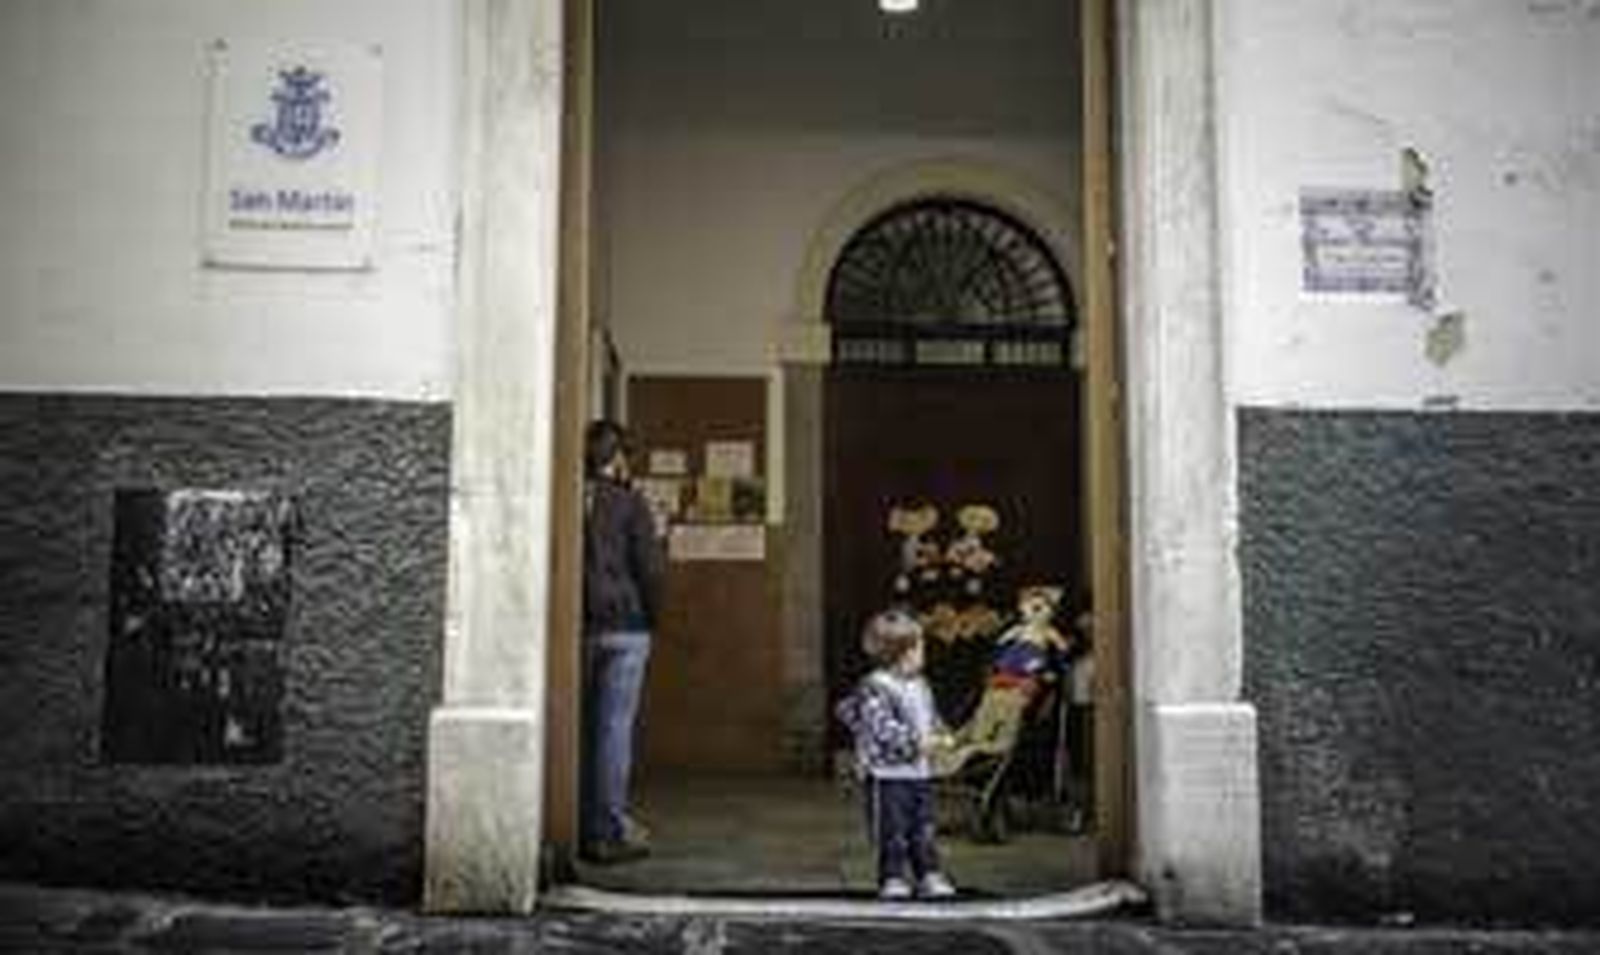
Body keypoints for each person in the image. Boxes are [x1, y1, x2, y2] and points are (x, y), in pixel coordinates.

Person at [580, 420, 665, 864]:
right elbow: (650, 569)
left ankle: (575, 821)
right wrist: (654, 618)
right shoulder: (629, 503)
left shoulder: (569, 499)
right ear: (618, 458)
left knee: (581, 728)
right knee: (614, 730)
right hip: (627, 626)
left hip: (579, 626)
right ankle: (608, 830)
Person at [835, 609, 959, 900]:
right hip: (887, 775)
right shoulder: (876, 687)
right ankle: (892, 876)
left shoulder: (920, 685)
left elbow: (930, 716)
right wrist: (918, 744)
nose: (923, 653)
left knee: (924, 826)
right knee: (893, 831)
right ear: (900, 652)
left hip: (919, 772)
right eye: (919, 647)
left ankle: (928, 873)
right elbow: (882, 729)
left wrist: (943, 734)